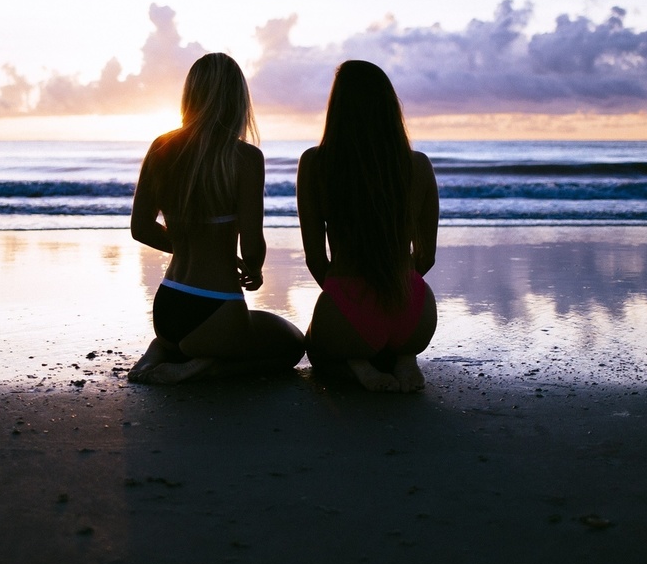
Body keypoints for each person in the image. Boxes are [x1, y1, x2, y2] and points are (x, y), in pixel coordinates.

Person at [127, 52, 305, 384]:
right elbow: (252, 245)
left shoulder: (161, 146)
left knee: (207, 335)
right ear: (237, 100)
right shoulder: (246, 158)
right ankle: (202, 367)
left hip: (168, 306)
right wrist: (252, 267)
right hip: (217, 305)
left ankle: (163, 349)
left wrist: (185, 245)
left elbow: (140, 228)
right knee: (291, 347)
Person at [297, 60, 439, 392]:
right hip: (415, 310)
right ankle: (405, 359)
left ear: (337, 107)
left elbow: (316, 260)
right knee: (392, 340)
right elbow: (427, 257)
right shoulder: (417, 165)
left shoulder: (316, 163)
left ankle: (360, 368)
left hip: (348, 301)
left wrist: (344, 303)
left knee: (315, 348)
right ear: (390, 107)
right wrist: (392, 285)